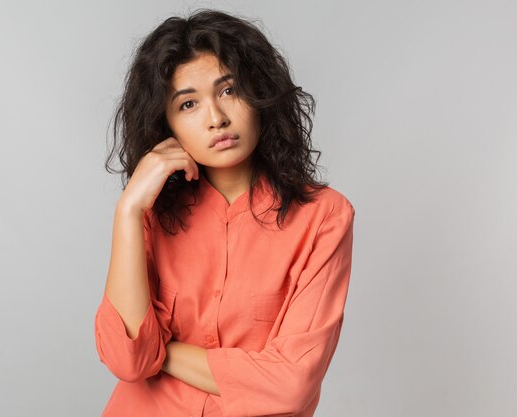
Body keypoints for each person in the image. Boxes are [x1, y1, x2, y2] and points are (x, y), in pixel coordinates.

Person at [94, 8, 355, 417]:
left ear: (261, 95)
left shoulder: (324, 217)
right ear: (167, 125)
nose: (216, 118)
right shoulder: (149, 215)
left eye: (229, 90)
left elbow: (291, 385)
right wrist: (127, 210)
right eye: (188, 104)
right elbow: (127, 361)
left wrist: (159, 351)